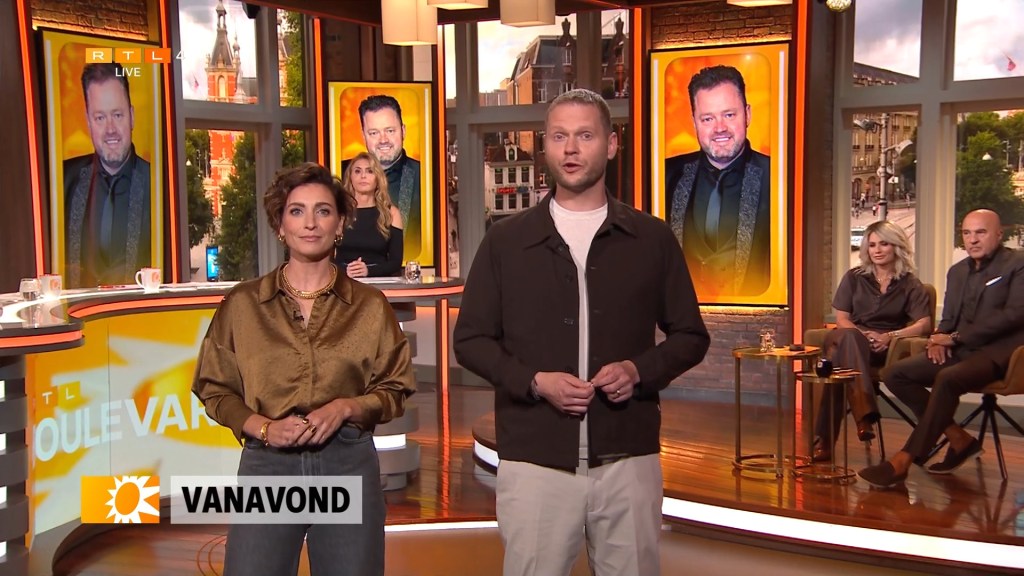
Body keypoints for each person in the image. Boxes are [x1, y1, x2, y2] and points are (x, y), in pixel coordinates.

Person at [453, 89, 710, 576]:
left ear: (611, 145)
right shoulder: (506, 241)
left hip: (628, 461)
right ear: (545, 146)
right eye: (559, 137)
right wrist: (534, 382)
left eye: (585, 136)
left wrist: (638, 370)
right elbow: (470, 340)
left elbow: (690, 335)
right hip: (534, 463)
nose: (570, 148)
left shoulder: (651, 238)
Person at [191, 162, 415, 576]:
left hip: (346, 463)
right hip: (268, 466)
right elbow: (214, 388)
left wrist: (346, 407)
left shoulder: (369, 307)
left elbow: (395, 387)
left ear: (340, 223)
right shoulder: (243, 305)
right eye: (296, 211)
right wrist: (263, 427)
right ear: (280, 224)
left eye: (323, 211)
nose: (310, 223)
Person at [858, 209, 1024, 488]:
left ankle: (904, 460)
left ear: (999, 234)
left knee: (947, 378)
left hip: (1000, 354)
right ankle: (959, 439)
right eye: (967, 233)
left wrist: (955, 338)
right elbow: (948, 318)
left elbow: (1014, 315)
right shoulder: (957, 271)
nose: (972, 239)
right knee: (895, 373)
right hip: (960, 350)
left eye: (980, 232)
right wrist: (939, 338)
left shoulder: (1017, 264)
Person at [811, 221, 932, 463]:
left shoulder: (909, 283)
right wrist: (862, 335)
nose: (877, 250)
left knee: (838, 365)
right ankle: (864, 416)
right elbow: (842, 319)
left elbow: (925, 324)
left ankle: (826, 441)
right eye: (872, 245)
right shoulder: (854, 277)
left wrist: (891, 336)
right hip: (849, 334)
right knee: (849, 339)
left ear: (896, 246)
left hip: (881, 348)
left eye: (884, 244)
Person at [665, 65, 771, 297]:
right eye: (707, 118)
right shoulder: (667, 175)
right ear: (694, 122)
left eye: (729, 115)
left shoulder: (777, 177)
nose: (719, 128)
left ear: (748, 114)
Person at [63, 62, 152, 288]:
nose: (110, 129)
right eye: (100, 118)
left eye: (117, 115)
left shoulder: (158, 185)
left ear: (132, 116)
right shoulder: (64, 180)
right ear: (88, 122)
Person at [348, 94, 421, 262]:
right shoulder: (343, 173)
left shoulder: (422, 175)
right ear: (363, 136)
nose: (383, 140)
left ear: (403, 131)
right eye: (374, 133)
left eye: (390, 131)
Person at [335, 152, 404, 277]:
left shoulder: (391, 213)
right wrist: (347, 271)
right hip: (343, 279)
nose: (363, 176)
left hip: (378, 282)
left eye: (369, 171)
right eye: (357, 171)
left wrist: (368, 271)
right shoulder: (340, 212)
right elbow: (325, 257)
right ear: (350, 177)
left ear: (378, 178)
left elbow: (395, 262)